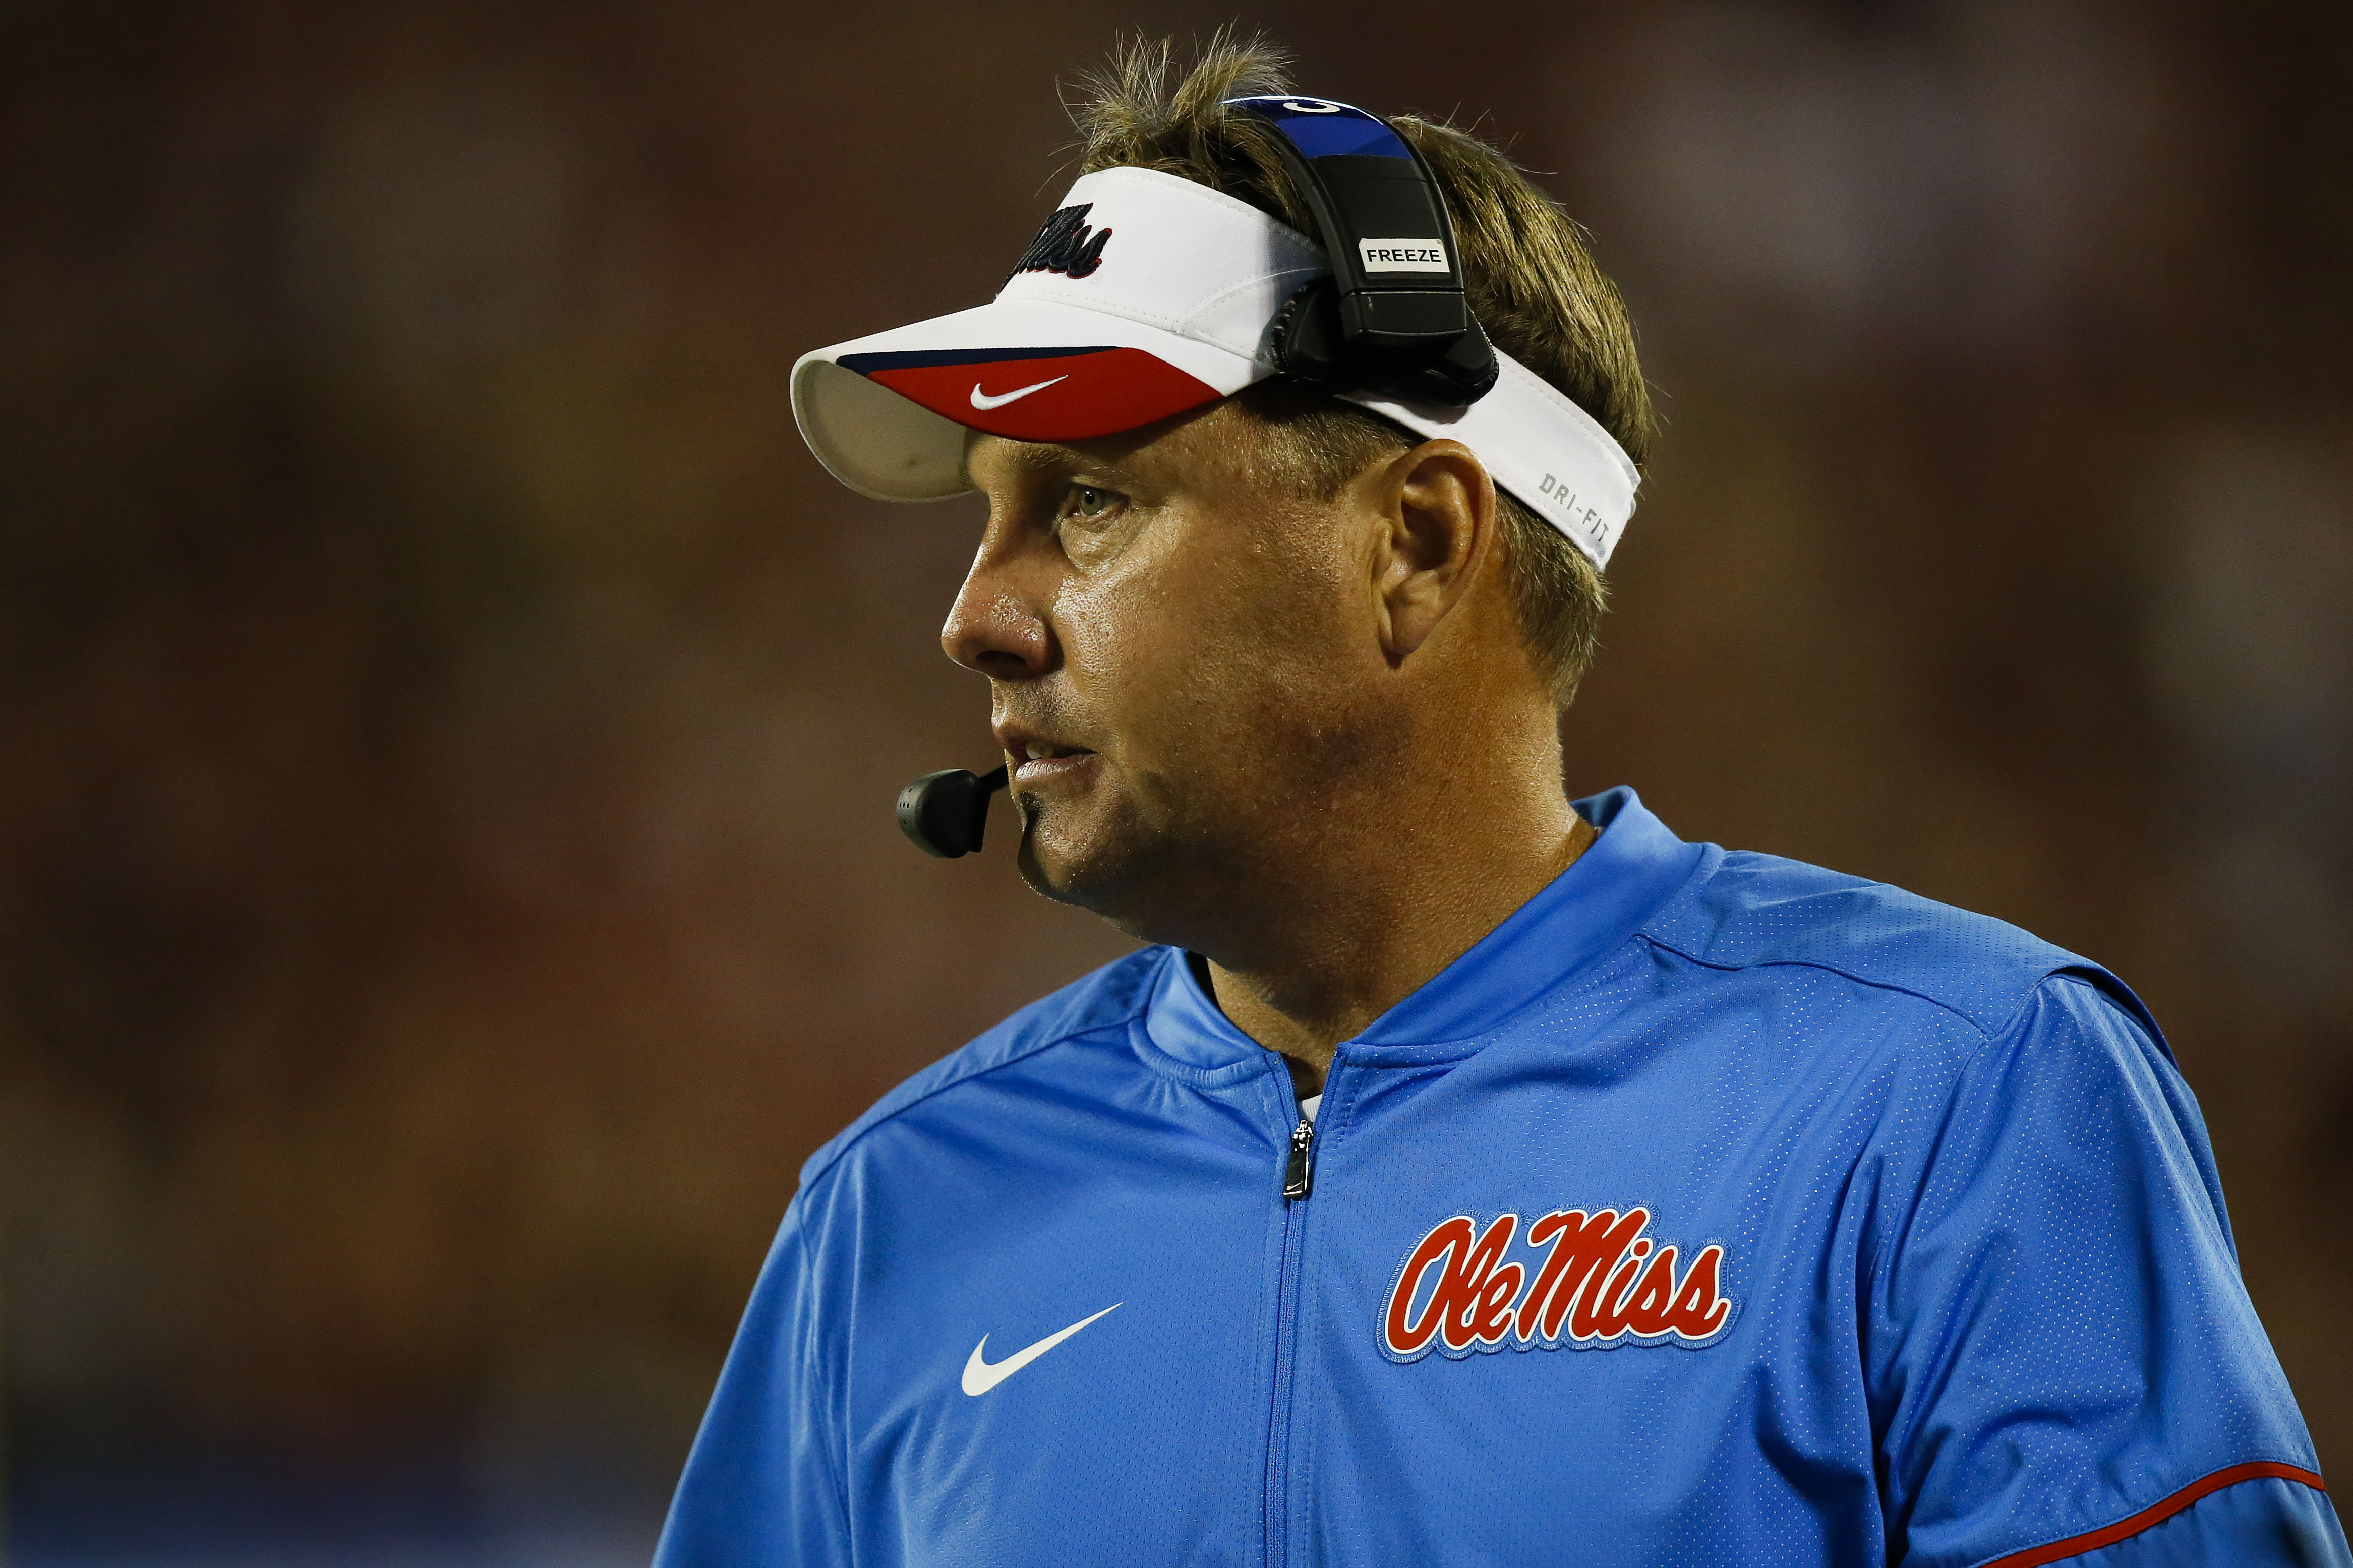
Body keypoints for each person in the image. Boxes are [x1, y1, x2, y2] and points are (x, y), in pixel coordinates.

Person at [655, 36, 2347, 1568]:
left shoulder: (1949, 1096)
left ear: (1417, 546)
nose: (975, 616)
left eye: (1091, 503)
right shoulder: (892, 1210)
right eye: (983, 517)